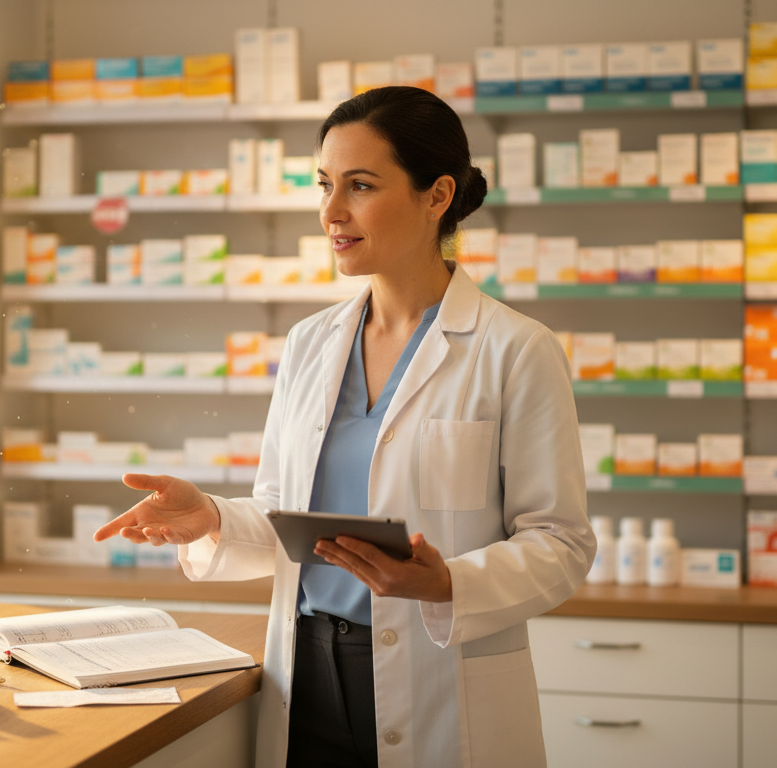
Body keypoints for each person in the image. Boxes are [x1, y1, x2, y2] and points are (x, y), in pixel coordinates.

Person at [95, 86, 595, 768]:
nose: (332, 212)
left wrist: (446, 583)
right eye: (325, 185)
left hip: (440, 678)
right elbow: (283, 515)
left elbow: (561, 544)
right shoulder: (310, 343)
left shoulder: (514, 350)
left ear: (437, 195)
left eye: (360, 186)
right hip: (304, 675)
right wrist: (209, 517)